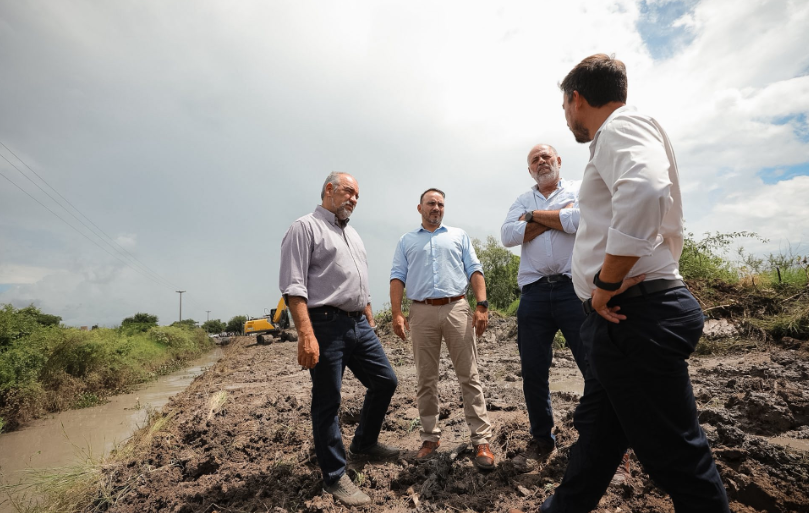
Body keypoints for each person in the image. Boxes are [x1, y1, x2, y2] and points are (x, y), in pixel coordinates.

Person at [540, 54, 730, 512]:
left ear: (576, 98)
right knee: (597, 441)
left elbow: (644, 189)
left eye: (564, 107)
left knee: (679, 460)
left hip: (634, 317)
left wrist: (606, 282)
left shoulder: (619, 126)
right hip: (623, 323)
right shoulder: (622, 132)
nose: (566, 117)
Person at [279, 172, 400, 507]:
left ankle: (364, 443)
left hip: (358, 323)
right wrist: (306, 334)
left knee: (385, 381)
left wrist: (369, 317)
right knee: (328, 400)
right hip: (324, 323)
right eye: (349, 192)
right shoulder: (304, 228)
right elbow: (293, 287)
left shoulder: (353, 235)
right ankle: (334, 475)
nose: (354, 199)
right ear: (329, 190)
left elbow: (359, 281)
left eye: (357, 196)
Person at [389, 188, 496, 470]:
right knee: (426, 378)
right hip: (421, 311)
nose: (436, 208)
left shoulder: (458, 235)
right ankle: (429, 438)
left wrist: (482, 305)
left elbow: (474, 269)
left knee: (469, 375)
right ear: (420, 208)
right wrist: (397, 313)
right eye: (431, 203)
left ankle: (481, 440)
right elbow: (397, 276)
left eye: (440, 204)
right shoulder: (406, 240)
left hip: (456, 308)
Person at [500, 144, 587, 459]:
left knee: (594, 365)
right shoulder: (522, 199)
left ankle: (602, 439)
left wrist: (533, 218)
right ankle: (542, 440)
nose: (541, 162)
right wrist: (558, 217)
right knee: (533, 371)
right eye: (534, 160)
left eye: (546, 156)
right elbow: (508, 236)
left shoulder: (579, 188)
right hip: (534, 293)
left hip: (574, 289)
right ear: (529, 170)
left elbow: (581, 220)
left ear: (558, 160)